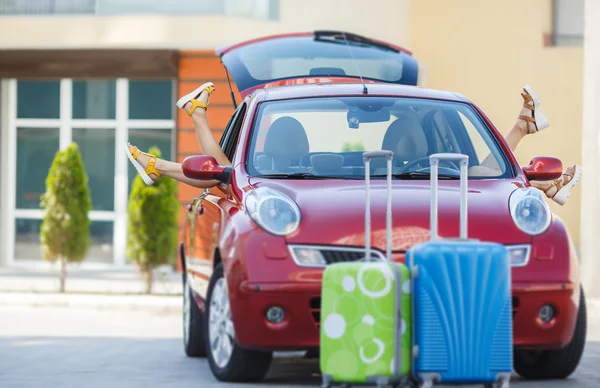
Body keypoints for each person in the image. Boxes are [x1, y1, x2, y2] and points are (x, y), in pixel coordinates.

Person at [125, 83, 581, 205]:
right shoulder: (263, 176)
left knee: (226, 172)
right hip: (260, 193)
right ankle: (533, 149)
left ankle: (173, 144)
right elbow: (222, 172)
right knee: (228, 174)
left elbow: (486, 174)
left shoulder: (427, 164)